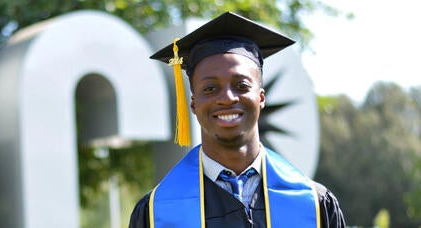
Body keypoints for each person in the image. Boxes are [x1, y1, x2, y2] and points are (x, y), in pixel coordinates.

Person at [129, 12, 345, 228]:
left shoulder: (314, 205)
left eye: (241, 86)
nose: (227, 98)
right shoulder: (156, 213)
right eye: (210, 88)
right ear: (193, 104)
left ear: (261, 98)